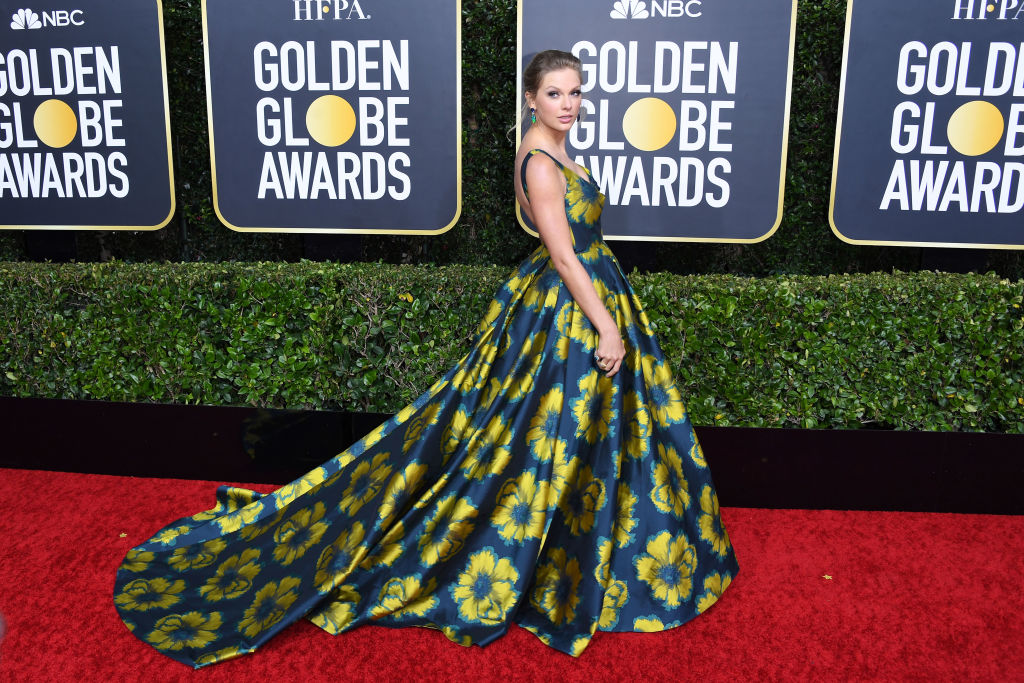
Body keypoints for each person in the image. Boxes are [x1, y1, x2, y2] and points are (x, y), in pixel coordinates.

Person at [113, 49, 738, 668]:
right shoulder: (541, 163)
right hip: (574, 309)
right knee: (547, 435)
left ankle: (570, 554)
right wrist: (606, 327)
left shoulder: (552, 149)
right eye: (555, 93)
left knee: (559, 436)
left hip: (579, 299)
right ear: (531, 98)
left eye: (575, 92)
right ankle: (553, 562)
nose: (568, 104)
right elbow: (565, 256)